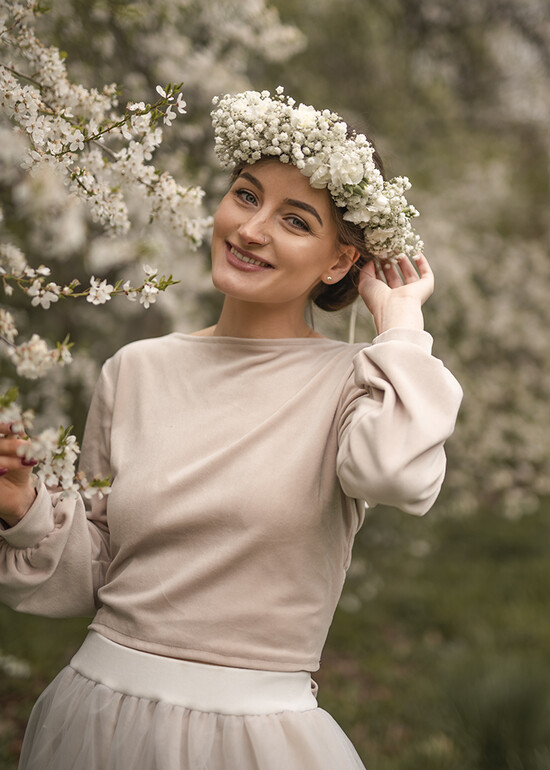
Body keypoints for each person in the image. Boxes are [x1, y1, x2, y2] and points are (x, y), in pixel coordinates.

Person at [0, 87, 462, 770]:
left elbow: (396, 472)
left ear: (340, 262)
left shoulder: (356, 382)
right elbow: (99, 566)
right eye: (247, 196)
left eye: (296, 220)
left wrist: (400, 326)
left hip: (255, 738)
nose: (251, 229)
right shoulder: (136, 370)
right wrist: (22, 510)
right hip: (94, 715)